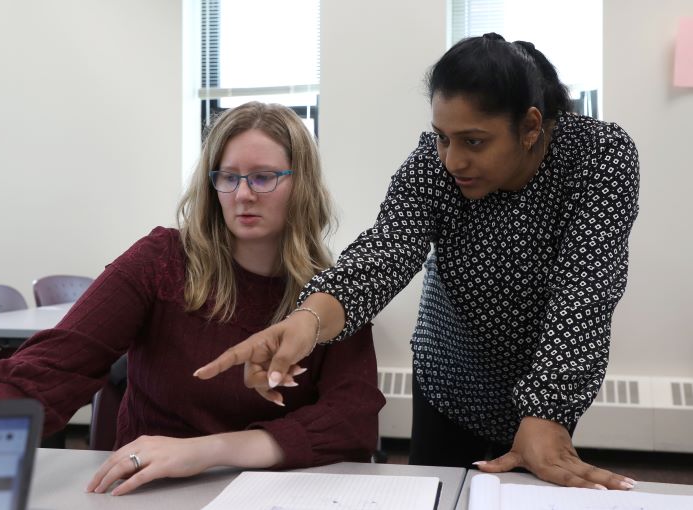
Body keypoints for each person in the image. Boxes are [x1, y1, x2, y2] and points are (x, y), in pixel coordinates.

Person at [195, 34, 640, 490]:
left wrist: (546, 410)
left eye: (473, 141)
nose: (453, 159)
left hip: (549, 369)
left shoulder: (598, 156)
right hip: (448, 371)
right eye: (443, 138)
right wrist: (307, 320)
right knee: (436, 491)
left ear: (530, 126)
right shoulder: (434, 163)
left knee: (529, 492)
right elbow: (387, 250)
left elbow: (586, 288)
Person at [0, 101, 384, 496]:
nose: (242, 195)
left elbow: (351, 421)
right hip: (153, 492)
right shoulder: (162, 260)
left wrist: (209, 450)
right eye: (227, 176)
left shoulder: (333, 293)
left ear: (302, 184)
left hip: (276, 493)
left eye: (263, 176)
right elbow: (60, 359)